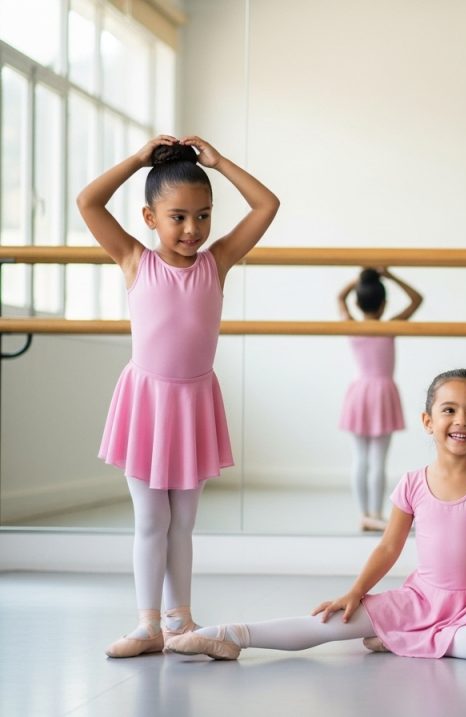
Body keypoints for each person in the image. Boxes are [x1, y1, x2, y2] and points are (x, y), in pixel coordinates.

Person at [166, 369, 466, 660]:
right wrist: (356, 592)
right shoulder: (411, 483)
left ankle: (402, 641)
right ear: (427, 421)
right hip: (420, 599)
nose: (461, 421)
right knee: (328, 622)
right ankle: (230, 635)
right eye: (449, 410)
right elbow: (389, 548)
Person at [77, 135, 279, 658]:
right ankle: (147, 625)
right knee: (152, 520)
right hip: (147, 402)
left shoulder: (218, 262)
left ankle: (179, 621)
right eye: (179, 217)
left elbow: (267, 205)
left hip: (193, 403)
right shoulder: (134, 260)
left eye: (204, 216)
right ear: (149, 217)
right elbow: (88, 203)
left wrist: (218, 162)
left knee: (184, 523)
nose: (193, 230)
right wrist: (138, 160)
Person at [338, 267, 422, 531]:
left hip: (359, 392)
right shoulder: (389, 328)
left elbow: (340, 298)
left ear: (357, 302)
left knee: (359, 459)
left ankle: (364, 514)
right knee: (377, 461)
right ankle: (374, 513)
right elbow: (417, 299)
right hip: (383, 393)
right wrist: (388, 275)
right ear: (385, 303)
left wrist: (361, 278)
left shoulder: (352, 325)